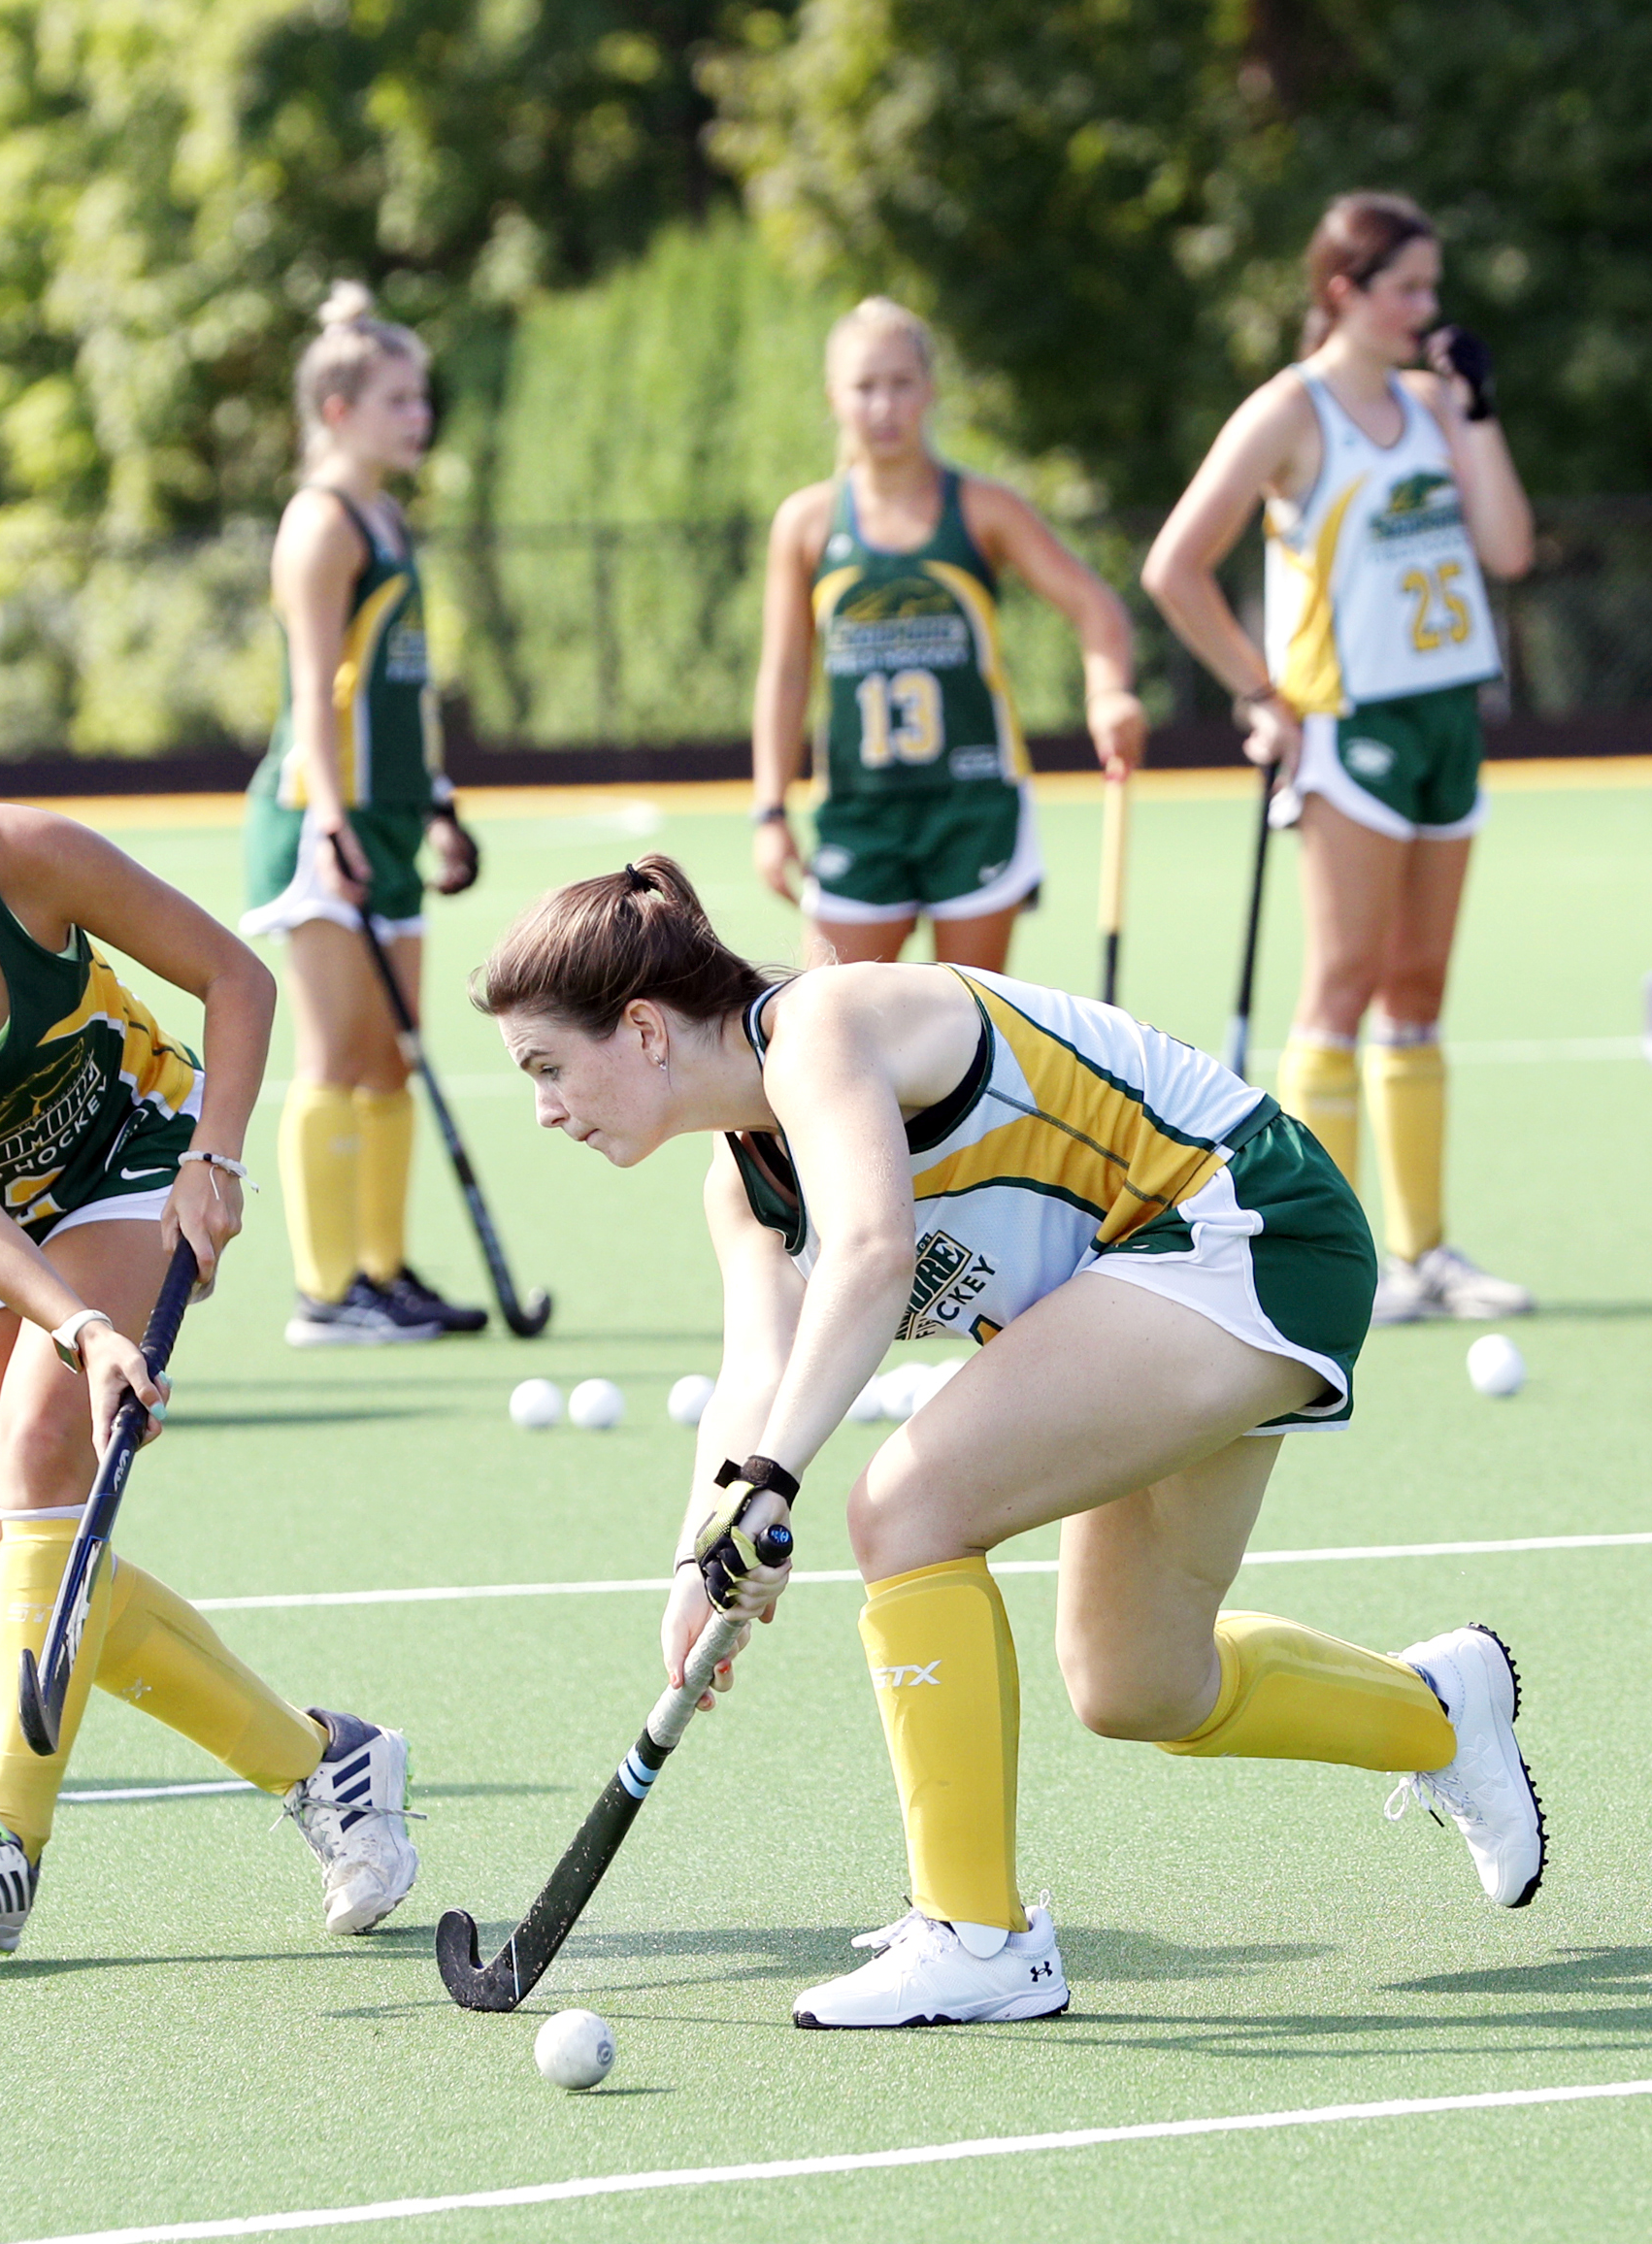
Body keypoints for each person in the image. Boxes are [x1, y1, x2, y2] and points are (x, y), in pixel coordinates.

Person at [473, 856, 1544, 2027]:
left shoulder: (821, 1028)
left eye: (547, 1066)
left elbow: (876, 1253)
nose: (544, 1106)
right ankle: (1438, 1711)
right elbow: (756, 1375)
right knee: (1138, 1683)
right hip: (1141, 1281)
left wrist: (774, 1483)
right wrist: (700, 1559)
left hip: (1240, 1226)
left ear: (641, 1028)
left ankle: (976, 1932)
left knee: (904, 1507)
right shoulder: (743, 1188)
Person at [0, 673, 415, 1956]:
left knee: (42, 1445)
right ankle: (326, 1763)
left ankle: (3, 1846)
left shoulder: (27, 860)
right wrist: (83, 1327)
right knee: (24, 1573)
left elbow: (236, 980)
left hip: (130, 1150)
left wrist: (216, 1154)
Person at [1144, 192, 1536, 1324]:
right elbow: (1178, 565)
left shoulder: (1430, 403)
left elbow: (1507, 546)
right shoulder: (1289, 412)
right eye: (1409, 287)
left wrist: (1480, 409)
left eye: (1432, 286)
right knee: (1344, 980)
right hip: (1347, 723)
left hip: (1445, 719)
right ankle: (1336, 1247)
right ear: (1343, 294)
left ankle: (1428, 1251)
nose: (1429, 308)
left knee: (1418, 989)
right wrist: (1260, 695)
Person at [750, 299, 1148, 972]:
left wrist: (1109, 693)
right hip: (858, 810)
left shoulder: (984, 508)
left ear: (930, 392)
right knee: (829, 1026)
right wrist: (769, 809)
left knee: (967, 1030)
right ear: (834, 398)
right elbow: (785, 671)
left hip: (975, 803)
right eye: (865, 387)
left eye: (902, 384)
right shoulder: (808, 523)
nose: (884, 406)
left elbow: (1095, 605)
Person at [240, 282, 483, 1347]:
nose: (418, 416)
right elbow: (309, 692)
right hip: (318, 818)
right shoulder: (320, 524)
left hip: (385, 817)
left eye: (421, 398)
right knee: (335, 1056)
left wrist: (434, 800)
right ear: (337, 409)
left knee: (393, 1056)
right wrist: (332, 821)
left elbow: (392, 686)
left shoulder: (386, 515)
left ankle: (383, 1271)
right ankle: (325, 1288)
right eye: (398, 398)